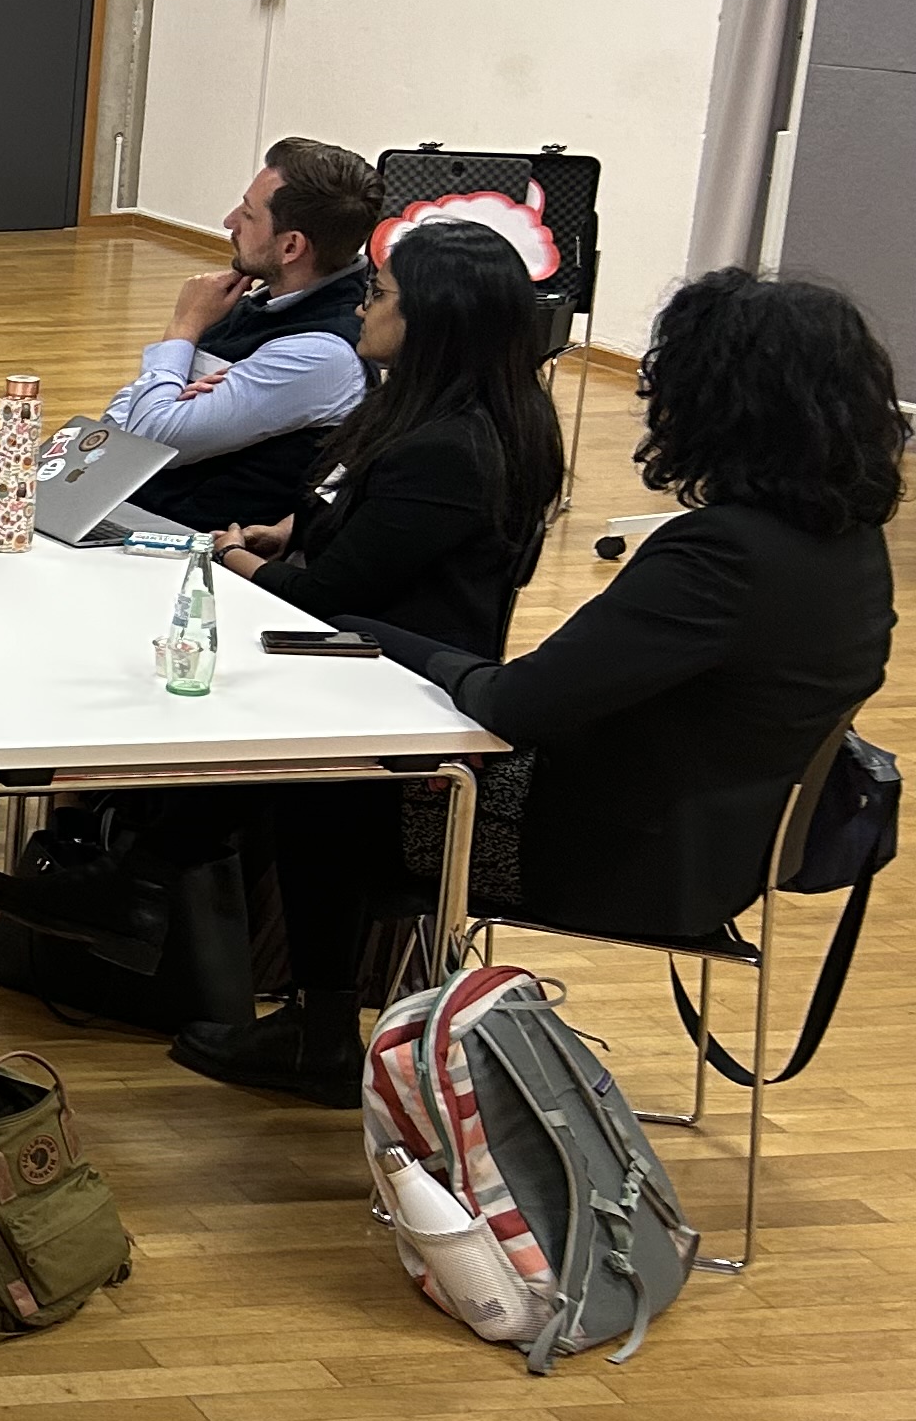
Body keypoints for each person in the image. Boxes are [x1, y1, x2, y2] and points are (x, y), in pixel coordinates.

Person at [180, 268, 901, 1108]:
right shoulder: (848, 545)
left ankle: (316, 1031)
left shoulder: (721, 558)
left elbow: (516, 704)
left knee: (333, 784)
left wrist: (372, 637)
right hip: (719, 843)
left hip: (618, 855)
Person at [211, 220, 567, 661]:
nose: (362, 311)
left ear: (433, 315)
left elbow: (324, 596)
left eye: (377, 294)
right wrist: (292, 532)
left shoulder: (449, 450)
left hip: (391, 666)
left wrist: (230, 556)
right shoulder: (413, 404)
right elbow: (354, 495)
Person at [100, 137, 382, 534]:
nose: (229, 221)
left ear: (291, 246)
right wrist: (165, 396)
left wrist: (182, 330)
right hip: (133, 500)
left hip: (192, 547)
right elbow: (118, 422)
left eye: (248, 215)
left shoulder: (321, 352)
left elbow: (148, 439)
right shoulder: (258, 299)